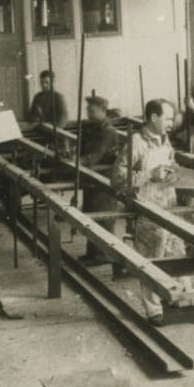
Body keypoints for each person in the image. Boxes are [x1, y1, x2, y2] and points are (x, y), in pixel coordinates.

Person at [111, 98, 184, 324]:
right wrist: (150, 174)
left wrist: (174, 171)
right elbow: (117, 178)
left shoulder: (164, 139)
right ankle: (154, 310)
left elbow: (171, 163)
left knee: (177, 250)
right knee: (152, 255)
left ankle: (181, 300)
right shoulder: (137, 143)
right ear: (153, 117)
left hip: (168, 203)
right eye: (168, 119)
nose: (171, 123)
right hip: (147, 206)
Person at [77, 95, 122, 266]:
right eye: (88, 110)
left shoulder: (108, 132)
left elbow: (96, 155)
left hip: (105, 180)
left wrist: (78, 161)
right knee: (91, 214)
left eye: (92, 111)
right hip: (92, 178)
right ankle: (92, 253)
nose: (88, 114)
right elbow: (85, 150)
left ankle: (103, 254)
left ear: (103, 111)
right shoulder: (92, 128)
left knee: (102, 216)